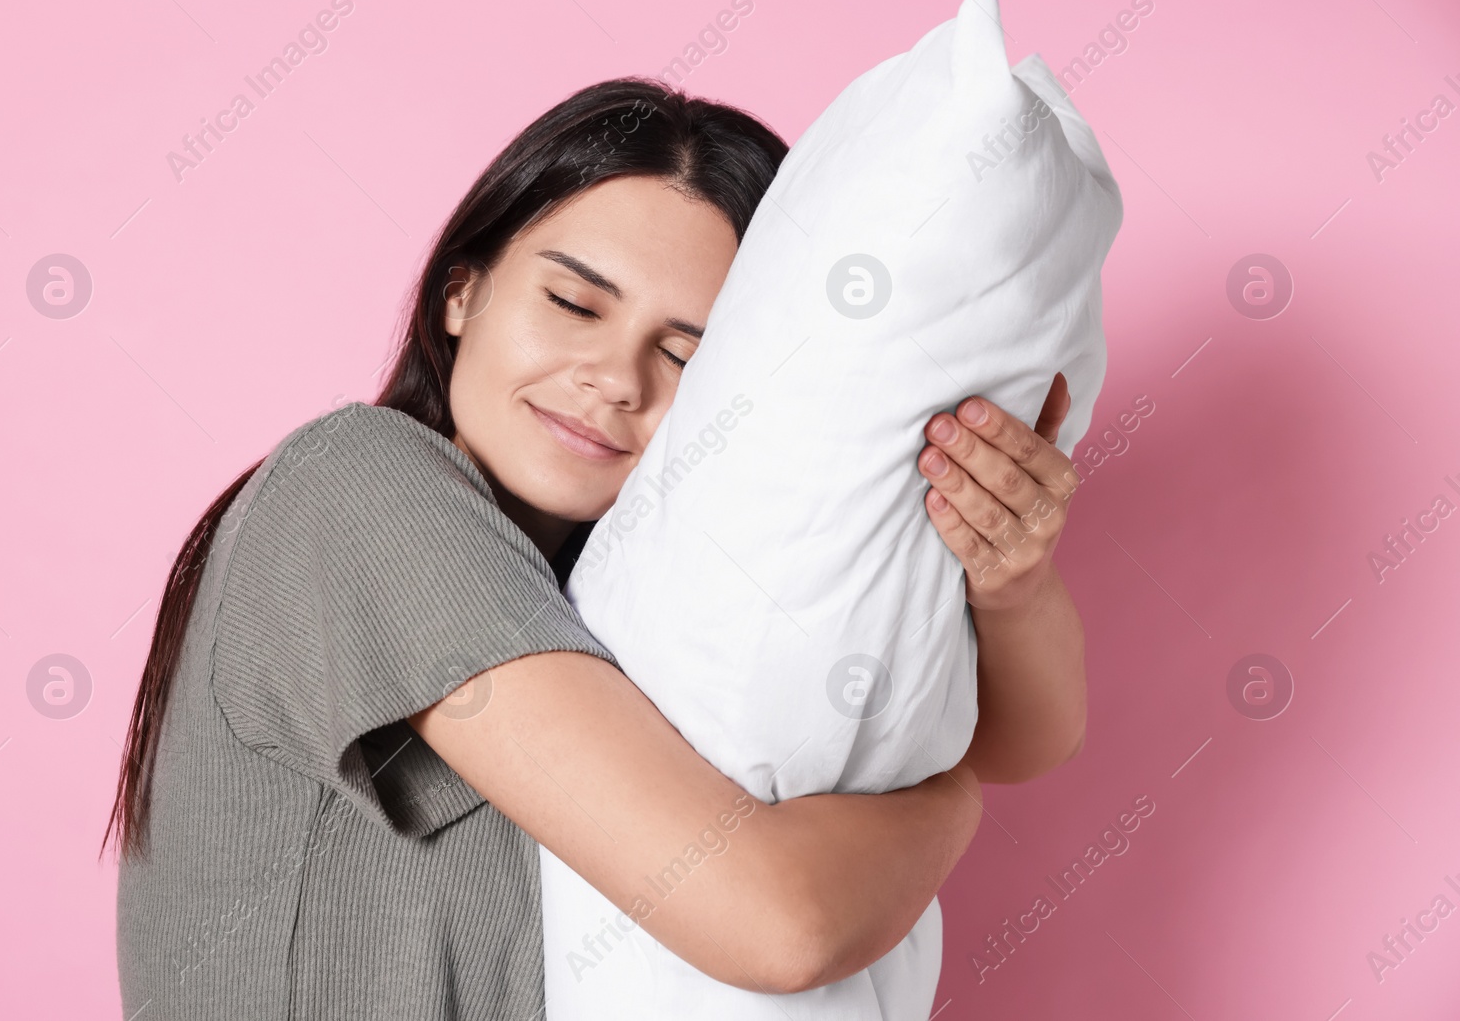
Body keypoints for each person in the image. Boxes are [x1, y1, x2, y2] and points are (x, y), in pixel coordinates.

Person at [107, 76, 1086, 1020]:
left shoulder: (632, 588)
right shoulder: (358, 487)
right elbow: (781, 922)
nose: (615, 378)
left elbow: (1021, 739)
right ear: (462, 293)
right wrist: (947, 798)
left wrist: (1009, 581)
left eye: (684, 355)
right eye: (574, 304)